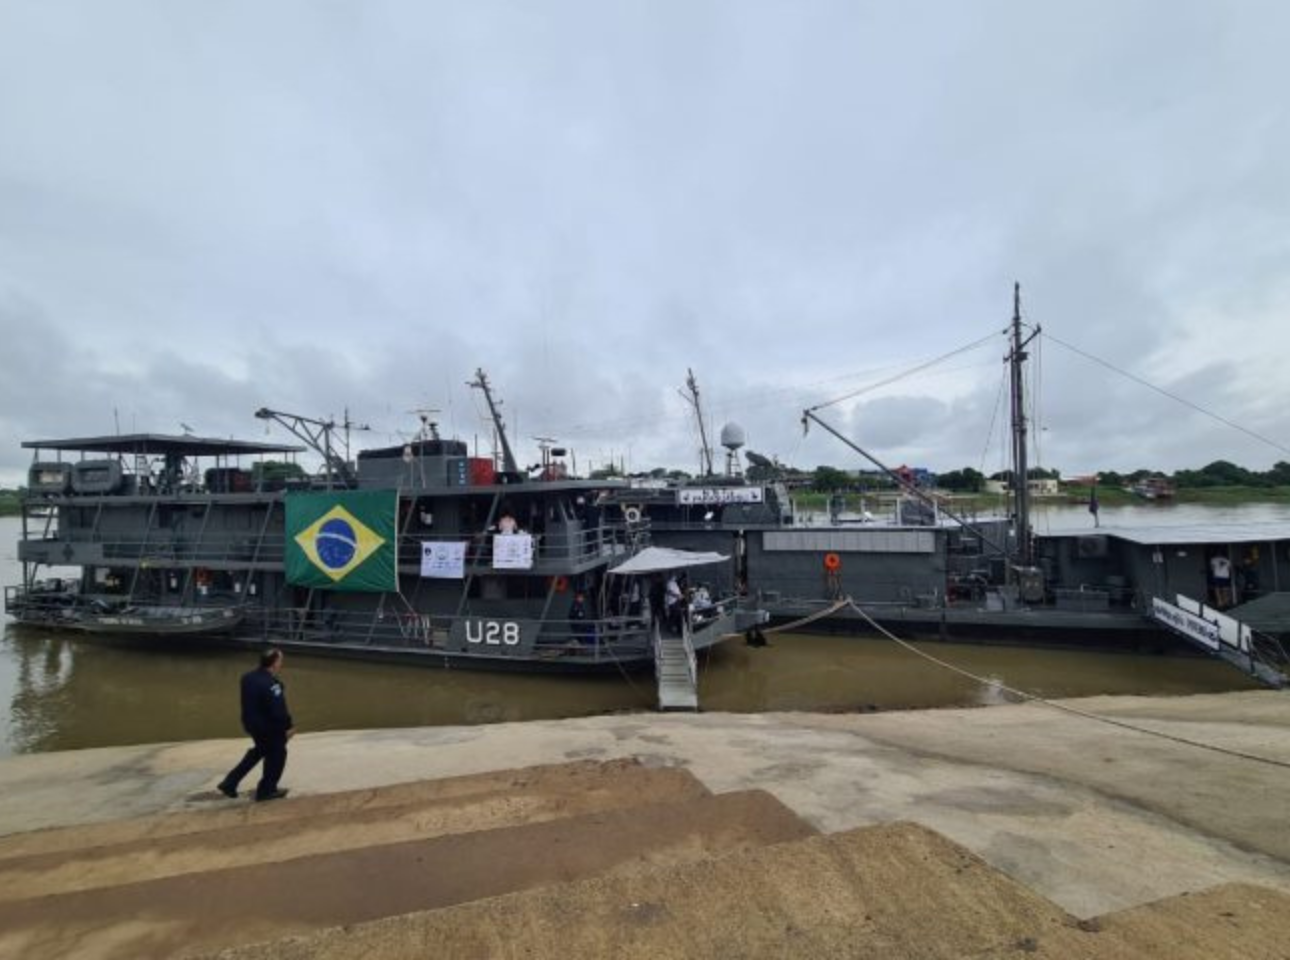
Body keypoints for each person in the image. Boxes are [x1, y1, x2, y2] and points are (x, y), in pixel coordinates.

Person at [217, 648, 295, 802]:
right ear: (274, 663)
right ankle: (266, 791)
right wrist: (289, 726)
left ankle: (230, 782)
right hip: (270, 728)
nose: (281, 663)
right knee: (278, 755)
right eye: (280, 660)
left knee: (261, 750)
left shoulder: (248, 678)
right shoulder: (272, 684)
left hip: (251, 725)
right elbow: (278, 710)